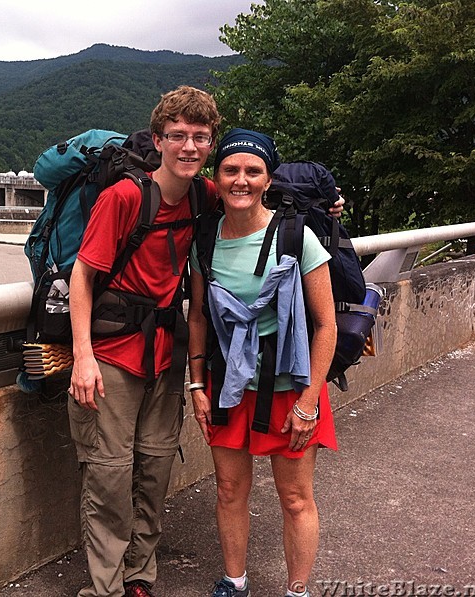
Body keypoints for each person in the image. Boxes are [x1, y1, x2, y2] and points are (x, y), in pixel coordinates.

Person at [67, 85, 221, 597]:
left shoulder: (202, 195)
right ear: (158, 141)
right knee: (109, 477)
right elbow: (83, 279)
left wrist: (324, 207)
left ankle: (140, 576)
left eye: (200, 137)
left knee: (154, 471)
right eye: (178, 136)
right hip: (111, 353)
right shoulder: (126, 197)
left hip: (164, 354)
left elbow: (256, 197)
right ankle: (104, 588)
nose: (189, 147)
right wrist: (82, 358)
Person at [186, 129, 339, 597]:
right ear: (216, 177)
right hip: (228, 382)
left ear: (268, 179)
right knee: (230, 491)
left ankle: (297, 591)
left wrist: (310, 401)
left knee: (294, 498)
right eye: (231, 169)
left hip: (291, 383)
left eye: (253, 171)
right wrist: (196, 385)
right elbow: (197, 316)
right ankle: (235, 581)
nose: (241, 180)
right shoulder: (206, 241)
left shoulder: (297, 237)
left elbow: (326, 325)